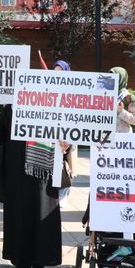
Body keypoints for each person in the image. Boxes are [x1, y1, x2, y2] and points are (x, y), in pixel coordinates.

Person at [0, 102, 62, 268]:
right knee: (19, 212)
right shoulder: (11, 108)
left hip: (43, 170)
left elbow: (66, 132)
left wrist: (66, 145)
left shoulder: (54, 106)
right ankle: (20, 260)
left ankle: (39, 262)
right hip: (17, 170)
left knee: (40, 212)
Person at [53, 61, 78, 205]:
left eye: (60, 72)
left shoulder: (72, 91)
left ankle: (63, 192)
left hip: (68, 134)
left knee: (65, 164)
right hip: (53, 134)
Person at [109, 66, 135, 133]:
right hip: (105, 137)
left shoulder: (128, 96)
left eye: (116, 77)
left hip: (123, 137)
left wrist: (121, 111)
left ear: (121, 78)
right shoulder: (104, 94)